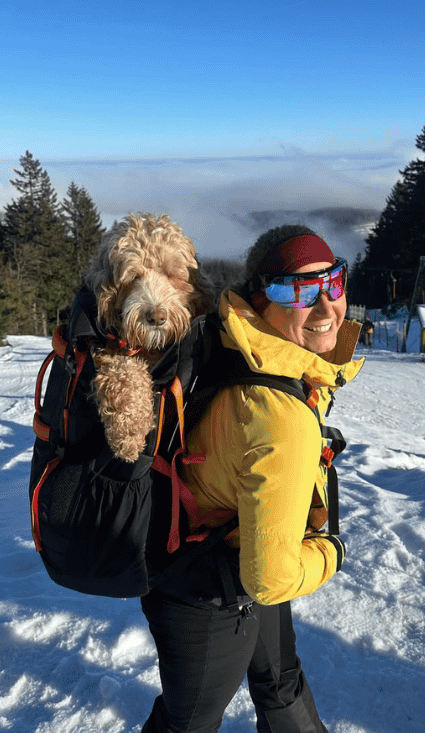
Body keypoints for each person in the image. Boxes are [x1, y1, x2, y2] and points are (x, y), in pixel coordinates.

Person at [142, 224, 360, 733]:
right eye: (299, 290)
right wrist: (333, 552)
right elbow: (274, 578)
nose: (327, 307)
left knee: (281, 682)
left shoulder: (239, 341)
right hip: (200, 590)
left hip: (236, 544)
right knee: (189, 722)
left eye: (333, 281)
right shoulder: (281, 418)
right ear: (261, 300)